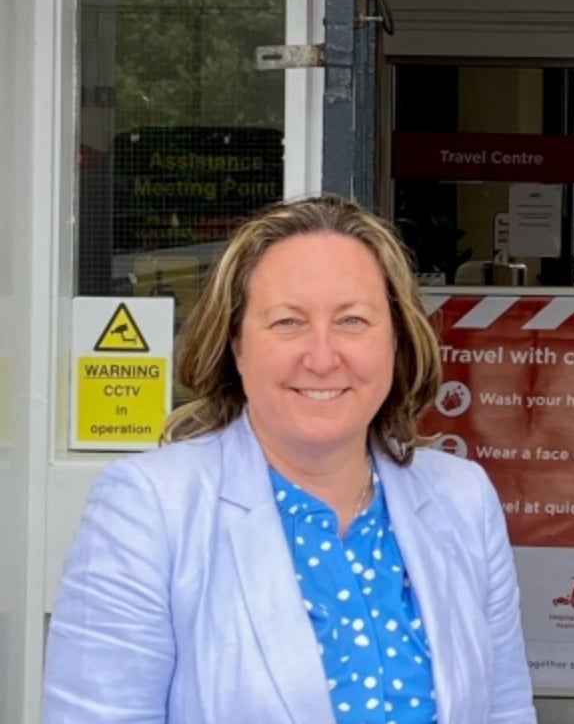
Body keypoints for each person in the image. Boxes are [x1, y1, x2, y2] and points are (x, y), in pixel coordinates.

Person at [44, 195, 538, 724]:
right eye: (287, 322)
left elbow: (504, 710)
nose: (322, 357)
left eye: (352, 320)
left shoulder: (463, 499)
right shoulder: (149, 508)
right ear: (235, 343)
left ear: (396, 338)